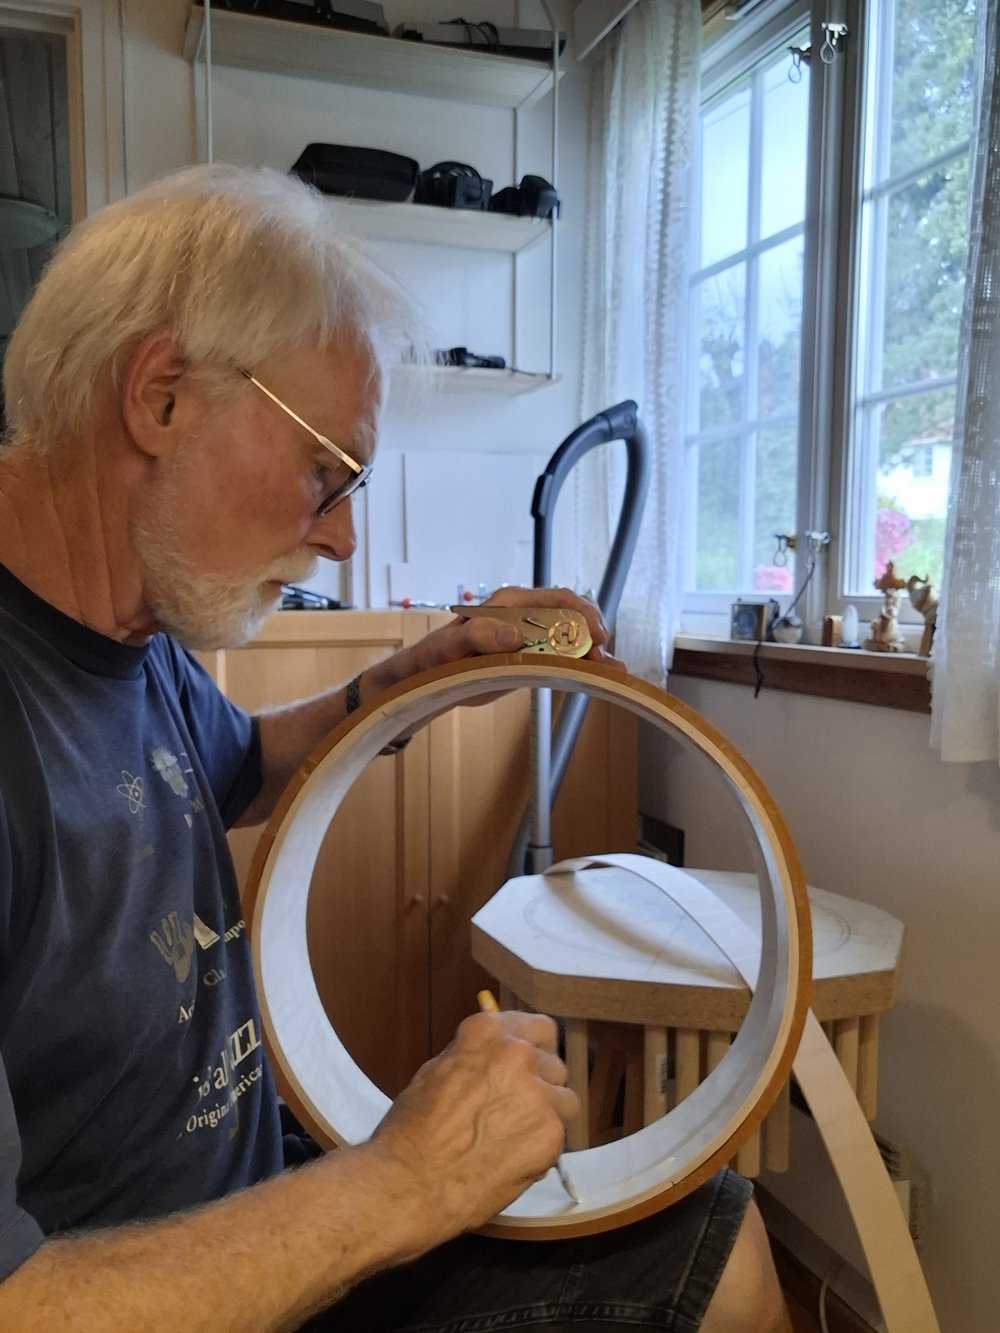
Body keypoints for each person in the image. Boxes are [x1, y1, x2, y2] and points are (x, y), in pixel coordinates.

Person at [0, 164, 789, 1332]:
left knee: (721, 1245)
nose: (341, 537)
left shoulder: (128, 621)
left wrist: (418, 675)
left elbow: (235, 771)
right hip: (149, 1288)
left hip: (251, 1200)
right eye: (327, 472)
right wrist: (400, 1183)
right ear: (160, 399)